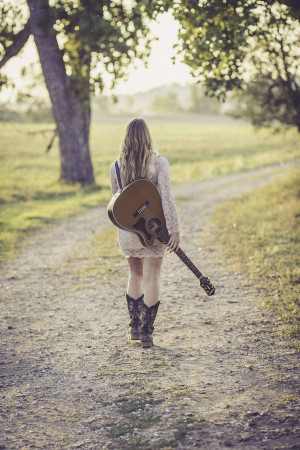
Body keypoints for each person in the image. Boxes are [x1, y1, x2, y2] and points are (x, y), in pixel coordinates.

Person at [109, 117, 181, 348]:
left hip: (129, 230)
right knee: (151, 278)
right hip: (154, 228)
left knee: (135, 275)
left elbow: (117, 202)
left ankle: (134, 330)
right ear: (147, 136)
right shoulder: (159, 163)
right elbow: (166, 198)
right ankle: (147, 333)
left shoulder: (116, 166)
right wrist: (174, 230)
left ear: (126, 138)